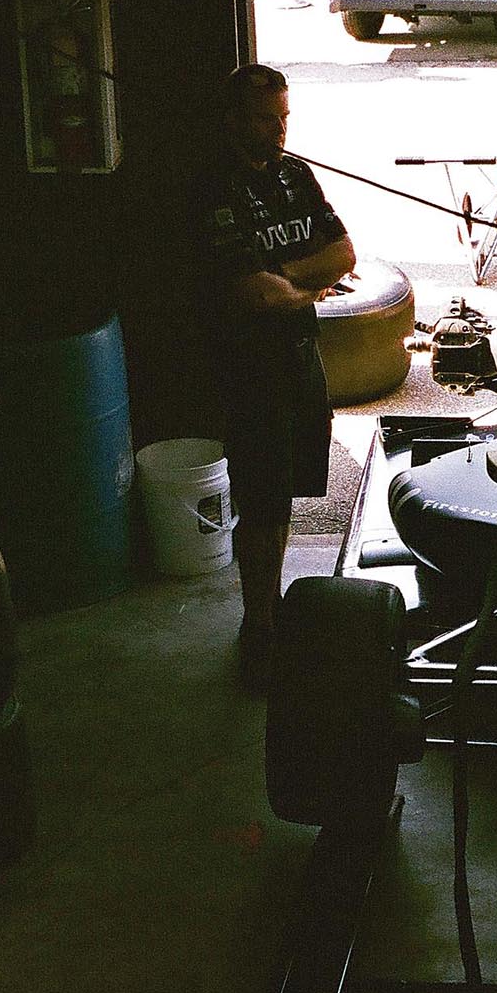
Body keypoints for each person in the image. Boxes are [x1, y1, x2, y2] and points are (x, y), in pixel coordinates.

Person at [192, 63, 356, 684]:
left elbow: (344, 253)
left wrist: (287, 281)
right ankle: (257, 625)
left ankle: (274, 608)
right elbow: (250, 294)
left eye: (284, 117)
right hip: (247, 364)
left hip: (298, 354)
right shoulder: (212, 187)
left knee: (288, 488)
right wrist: (304, 283)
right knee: (259, 498)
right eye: (265, 119)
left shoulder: (296, 176)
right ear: (232, 119)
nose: (279, 130)